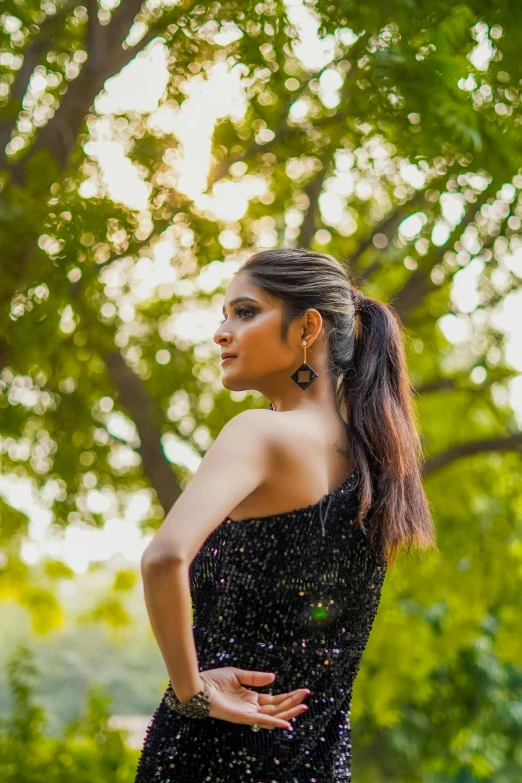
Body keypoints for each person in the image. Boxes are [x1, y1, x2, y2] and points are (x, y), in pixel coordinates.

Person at [134, 248, 436, 782]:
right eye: (223, 316)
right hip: (316, 764)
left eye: (245, 312)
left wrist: (193, 693)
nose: (222, 333)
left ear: (308, 328)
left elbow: (163, 558)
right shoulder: (376, 466)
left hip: (212, 754)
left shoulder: (259, 433)